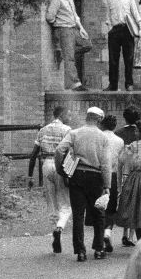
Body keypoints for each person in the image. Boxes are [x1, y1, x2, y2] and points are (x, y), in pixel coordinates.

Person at [54, 106, 114, 262]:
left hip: (77, 175)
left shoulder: (74, 133)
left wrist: (62, 170)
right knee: (99, 213)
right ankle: (99, 248)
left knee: (78, 214)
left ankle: (80, 251)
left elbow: (60, 150)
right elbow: (106, 163)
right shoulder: (103, 137)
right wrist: (107, 185)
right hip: (96, 176)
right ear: (99, 119)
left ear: (87, 117)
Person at [27, 105, 72, 253]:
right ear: (62, 114)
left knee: (51, 201)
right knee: (65, 202)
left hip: (46, 164)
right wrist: (69, 173)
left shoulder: (43, 130)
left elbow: (33, 154)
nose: (69, 116)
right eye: (67, 114)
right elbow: (70, 153)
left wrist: (30, 176)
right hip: (61, 165)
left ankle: (54, 228)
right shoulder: (67, 130)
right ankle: (60, 227)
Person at [45, 0, 89, 91]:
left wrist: (81, 28)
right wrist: (58, 23)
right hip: (64, 30)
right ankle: (75, 84)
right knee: (70, 58)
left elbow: (75, 15)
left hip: (73, 28)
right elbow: (50, 17)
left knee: (87, 45)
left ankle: (64, 52)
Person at [105, 0, 141, 92]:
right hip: (115, 29)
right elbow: (108, 15)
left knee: (129, 58)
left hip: (127, 29)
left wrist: (140, 27)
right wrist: (108, 28)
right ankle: (113, 85)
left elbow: (135, 13)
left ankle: (129, 84)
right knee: (113, 58)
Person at [114, 107, 141, 248]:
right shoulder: (140, 134)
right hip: (136, 172)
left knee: (124, 201)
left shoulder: (118, 133)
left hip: (122, 171)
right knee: (135, 202)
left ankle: (124, 233)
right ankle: (130, 236)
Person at [98, 114, 125, 253]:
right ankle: (108, 231)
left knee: (98, 205)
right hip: (113, 174)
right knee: (111, 206)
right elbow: (120, 162)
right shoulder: (120, 141)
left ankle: (99, 238)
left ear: (102, 124)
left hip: (98, 173)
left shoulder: (98, 136)